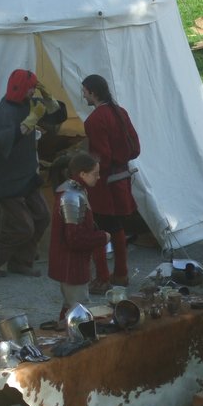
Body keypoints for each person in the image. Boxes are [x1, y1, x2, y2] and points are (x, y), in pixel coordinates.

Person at [0, 69, 62, 277]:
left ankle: (21, 261)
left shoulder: (28, 103)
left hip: (25, 174)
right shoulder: (4, 111)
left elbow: (55, 116)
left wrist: (48, 98)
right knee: (21, 227)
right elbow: (4, 142)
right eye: (30, 88)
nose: (32, 92)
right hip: (6, 179)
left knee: (42, 216)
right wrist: (29, 122)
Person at [81, 74, 140, 292]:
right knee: (116, 227)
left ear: (92, 92)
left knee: (100, 228)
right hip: (121, 177)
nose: (83, 95)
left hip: (104, 182)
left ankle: (103, 278)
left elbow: (102, 157)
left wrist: (85, 169)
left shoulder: (95, 120)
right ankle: (121, 273)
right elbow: (135, 148)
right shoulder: (120, 112)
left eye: (84, 91)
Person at [48, 152, 110, 324]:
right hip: (71, 262)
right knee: (78, 309)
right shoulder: (71, 197)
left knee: (71, 305)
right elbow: (74, 239)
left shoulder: (76, 191)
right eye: (95, 174)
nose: (98, 177)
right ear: (82, 174)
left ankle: (65, 335)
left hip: (74, 261)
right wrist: (101, 238)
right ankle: (72, 342)